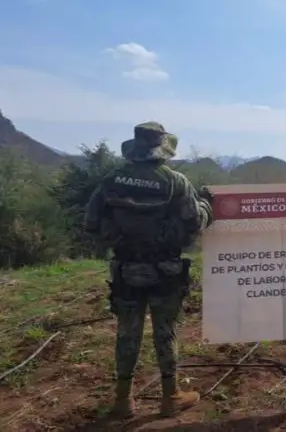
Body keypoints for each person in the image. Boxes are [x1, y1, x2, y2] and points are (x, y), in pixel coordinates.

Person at [83, 122, 214, 418]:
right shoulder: (175, 181)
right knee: (165, 332)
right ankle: (171, 397)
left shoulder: (112, 180)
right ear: (162, 149)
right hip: (165, 270)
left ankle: (123, 400)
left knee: (127, 332)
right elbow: (194, 222)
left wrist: (117, 237)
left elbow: (90, 223)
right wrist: (207, 205)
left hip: (126, 268)